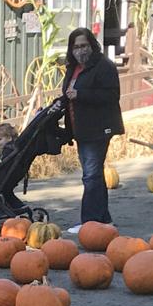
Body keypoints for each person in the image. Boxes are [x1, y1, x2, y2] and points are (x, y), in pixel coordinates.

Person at [60, 28, 124, 234]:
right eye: (76, 47)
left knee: (91, 175)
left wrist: (81, 94)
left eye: (84, 45)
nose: (80, 50)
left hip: (99, 128)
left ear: (92, 45)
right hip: (81, 129)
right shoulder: (74, 68)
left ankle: (89, 223)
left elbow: (110, 96)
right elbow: (68, 94)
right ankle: (103, 220)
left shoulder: (104, 67)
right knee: (94, 175)